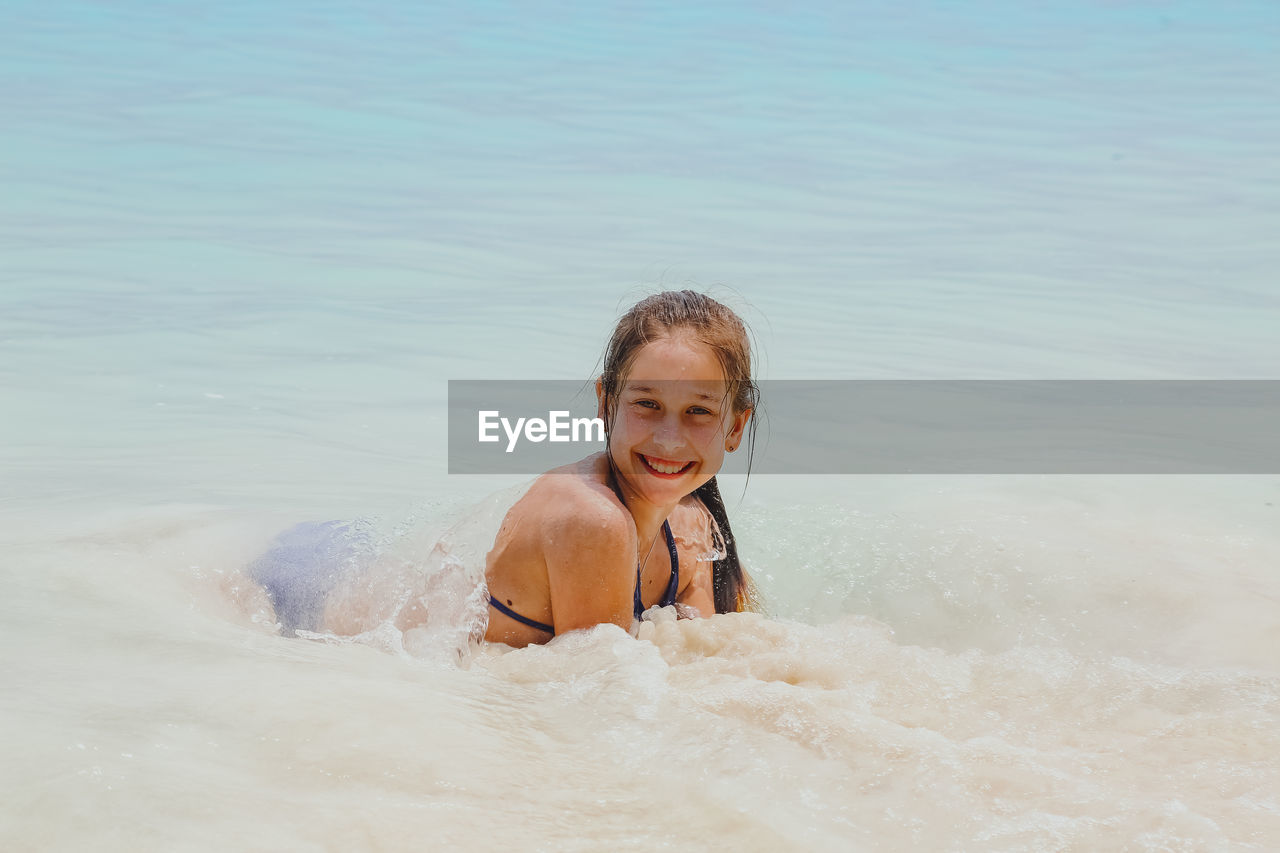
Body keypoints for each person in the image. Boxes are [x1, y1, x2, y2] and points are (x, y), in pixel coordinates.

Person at [483, 290, 761, 647]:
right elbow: (599, 694)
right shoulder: (592, 520)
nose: (670, 440)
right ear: (606, 403)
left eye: (699, 411)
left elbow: (709, 663)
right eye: (647, 404)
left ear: (736, 427)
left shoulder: (693, 528)